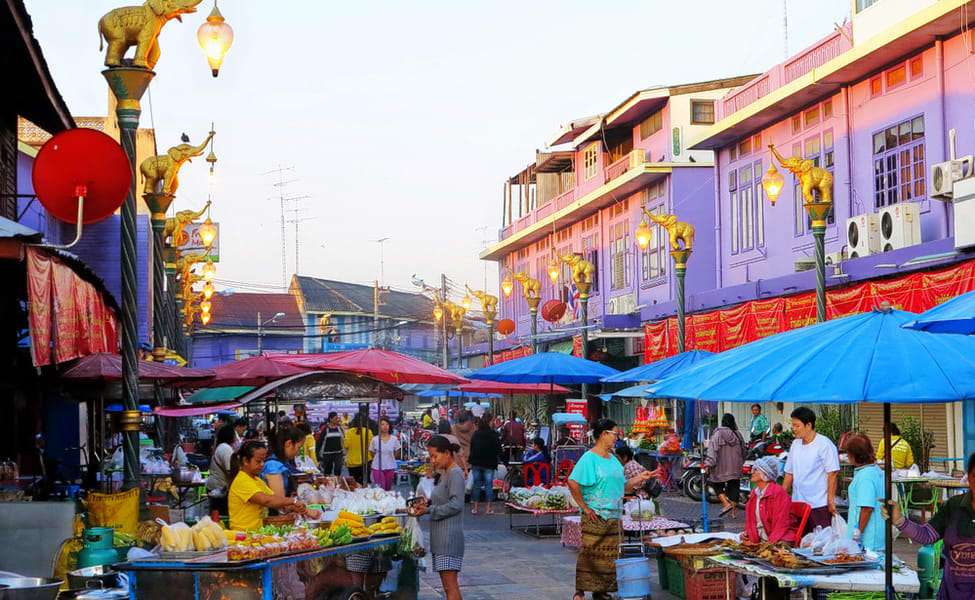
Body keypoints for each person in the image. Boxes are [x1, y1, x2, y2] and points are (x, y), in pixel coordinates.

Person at [568, 419, 653, 600]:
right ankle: (580, 591)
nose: (617, 438)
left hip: (614, 515)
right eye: (615, 434)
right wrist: (585, 507)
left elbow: (624, 487)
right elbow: (572, 482)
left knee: (608, 557)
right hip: (595, 515)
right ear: (603, 434)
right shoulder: (589, 458)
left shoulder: (613, 460)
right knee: (589, 554)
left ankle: (601, 592)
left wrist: (640, 478)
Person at [883, 451, 975, 599]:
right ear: (968, 477)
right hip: (951, 594)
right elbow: (927, 535)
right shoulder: (953, 506)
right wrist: (899, 520)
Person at [409, 435, 466, 600]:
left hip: (449, 539)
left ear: (447, 453)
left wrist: (429, 510)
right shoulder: (445, 473)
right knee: (448, 586)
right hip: (441, 538)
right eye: (431, 457)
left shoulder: (455, 473)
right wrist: (427, 503)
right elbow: (443, 498)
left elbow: (456, 505)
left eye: (435, 456)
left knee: (450, 585)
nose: (433, 461)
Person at [782, 407, 840, 532]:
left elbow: (833, 473)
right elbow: (789, 473)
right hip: (798, 502)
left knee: (821, 540)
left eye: (797, 425)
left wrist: (830, 500)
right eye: (793, 425)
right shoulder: (795, 444)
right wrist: (782, 496)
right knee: (800, 539)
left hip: (819, 504)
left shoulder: (824, 444)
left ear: (808, 425)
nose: (794, 429)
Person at [228, 440, 307, 531]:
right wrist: (293, 501)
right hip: (242, 534)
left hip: (257, 532)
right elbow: (266, 500)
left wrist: (293, 507)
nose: (262, 464)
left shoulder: (256, 480)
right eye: (258, 461)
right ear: (245, 461)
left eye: (263, 461)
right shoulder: (242, 480)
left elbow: (274, 499)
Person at [742, 456, 798, 544]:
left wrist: (769, 544)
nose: (751, 472)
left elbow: (781, 523)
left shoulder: (778, 493)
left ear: (765, 473)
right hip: (762, 537)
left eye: (756, 470)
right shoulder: (754, 494)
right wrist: (747, 533)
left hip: (779, 538)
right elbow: (751, 521)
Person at [845, 433, 884, 552]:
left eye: (848, 454)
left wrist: (858, 533)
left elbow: (867, 508)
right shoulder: (875, 470)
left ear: (855, 455)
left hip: (868, 539)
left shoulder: (866, 476)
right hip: (875, 535)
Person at [705, 413, 746, 517]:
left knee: (716, 485)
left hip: (720, 467)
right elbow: (744, 450)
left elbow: (712, 451)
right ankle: (733, 513)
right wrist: (741, 461)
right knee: (734, 487)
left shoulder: (717, 434)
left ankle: (726, 504)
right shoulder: (738, 434)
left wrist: (709, 463)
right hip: (736, 466)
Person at [469, 416, 502, 515]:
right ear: (489, 422)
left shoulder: (476, 434)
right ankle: (488, 508)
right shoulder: (493, 434)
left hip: (476, 462)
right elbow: (498, 449)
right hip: (489, 463)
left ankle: (475, 508)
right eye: (492, 421)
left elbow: (472, 447)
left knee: (476, 484)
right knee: (488, 485)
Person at [263, 423, 305, 498]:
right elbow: (279, 500)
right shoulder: (273, 466)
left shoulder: (282, 462)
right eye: (299, 447)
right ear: (289, 443)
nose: (298, 453)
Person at [206, 422, 237, 515]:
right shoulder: (225, 448)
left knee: (216, 515)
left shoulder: (221, 447)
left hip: (216, 487)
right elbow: (230, 470)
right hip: (220, 489)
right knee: (221, 516)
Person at [370, 418, 401, 490]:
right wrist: (377, 458)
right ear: (379, 426)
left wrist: (392, 457)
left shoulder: (394, 439)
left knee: (387, 488)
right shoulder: (375, 439)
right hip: (377, 467)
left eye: (387, 424)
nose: (385, 426)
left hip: (390, 466)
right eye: (382, 424)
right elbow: (371, 451)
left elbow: (398, 449)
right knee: (380, 489)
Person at [345, 413, 374, 485]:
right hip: (365, 462)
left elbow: (346, 445)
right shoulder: (368, 431)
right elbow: (372, 446)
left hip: (352, 463)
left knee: (354, 485)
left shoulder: (349, 432)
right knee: (365, 485)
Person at [317, 412, 345, 477]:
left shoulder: (339, 429)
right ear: (330, 419)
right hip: (327, 454)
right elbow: (320, 442)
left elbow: (343, 440)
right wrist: (318, 455)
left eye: (337, 418)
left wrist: (344, 453)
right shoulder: (325, 429)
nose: (337, 420)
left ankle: (337, 481)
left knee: (338, 470)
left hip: (338, 453)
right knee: (327, 471)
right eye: (336, 418)